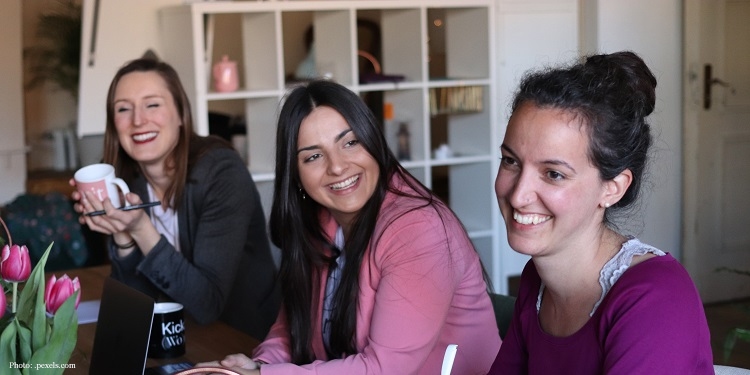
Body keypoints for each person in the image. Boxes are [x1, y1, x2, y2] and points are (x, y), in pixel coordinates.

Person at [200, 79, 501, 374]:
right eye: (314, 156)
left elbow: (387, 368)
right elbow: (292, 328)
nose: (337, 166)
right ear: (296, 175)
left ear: (372, 141)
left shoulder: (419, 229)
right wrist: (258, 365)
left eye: (350, 142)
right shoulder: (319, 221)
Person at [488, 51, 713, 374]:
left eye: (553, 173)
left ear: (613, 188)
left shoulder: (656, 300)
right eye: (511, 161)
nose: (518, 195)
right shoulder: (537, 279)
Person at [71, 58, 281, 340]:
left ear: (181, 114)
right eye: (123, 108)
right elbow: (137, 307)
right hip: (176, 338)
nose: (138, 120)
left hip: (243, 341)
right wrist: (123, 237)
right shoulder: (126, 182)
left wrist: (141, 229)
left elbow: (207, 305)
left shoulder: (222, 173)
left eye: (152, 104)